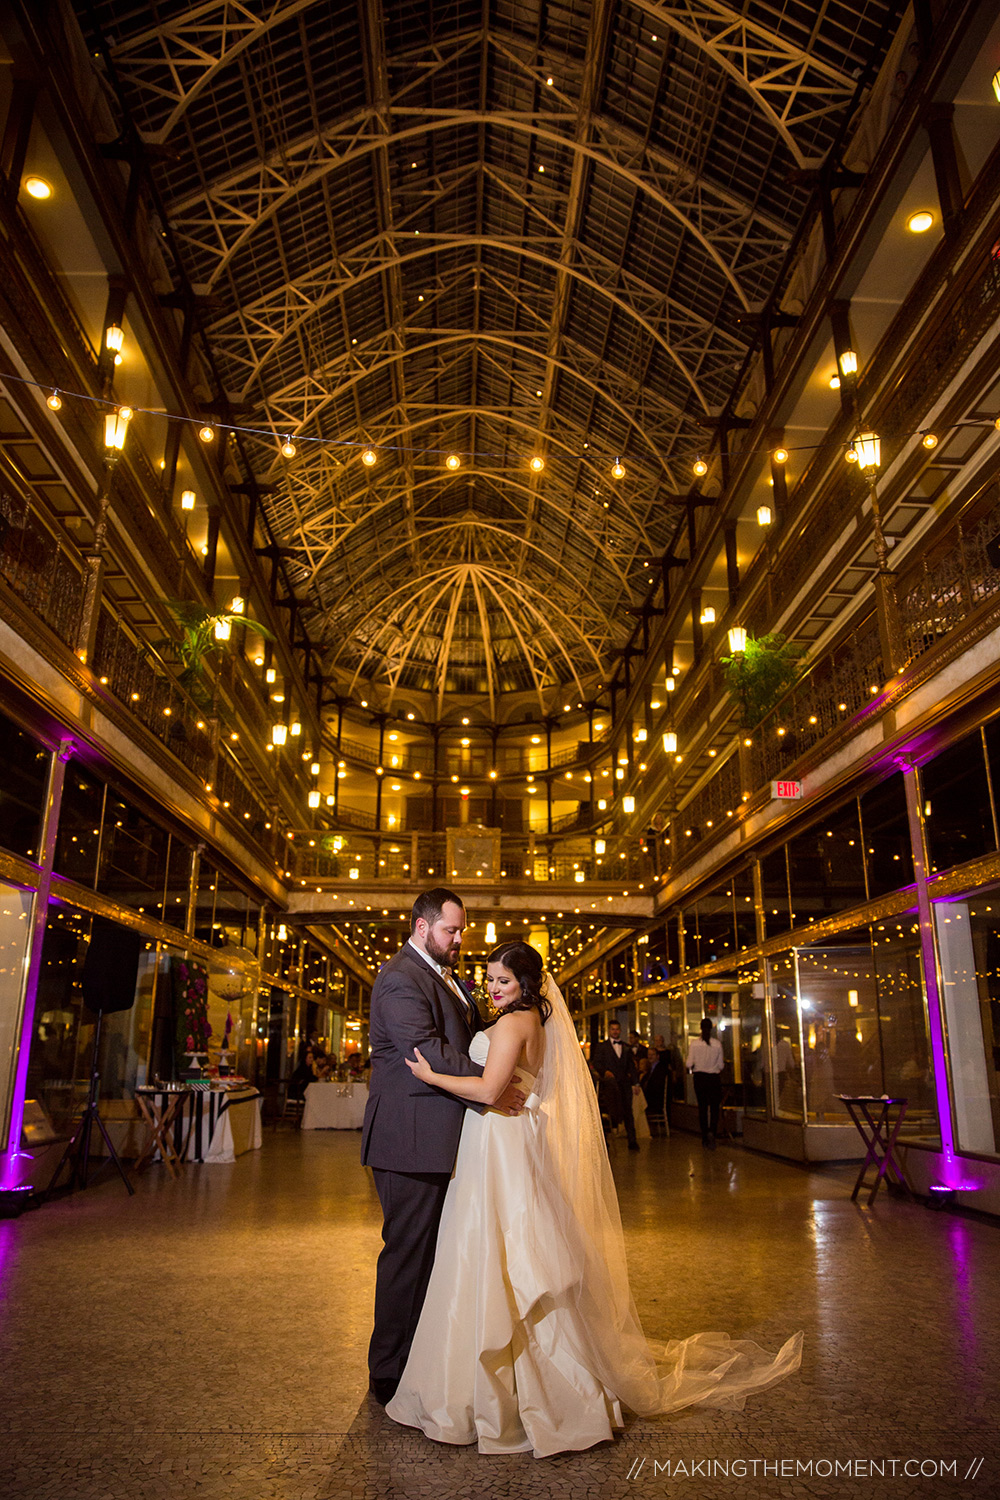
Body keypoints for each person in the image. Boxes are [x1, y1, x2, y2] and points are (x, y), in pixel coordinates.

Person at [386, 941, 802, 1458]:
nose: (493, 988)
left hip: (499, 1140)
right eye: (490, 979)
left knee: (499, 1248)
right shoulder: (531, 1021)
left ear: (527, 986)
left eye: (503, 981)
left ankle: (517, 1390)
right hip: (505, 1141)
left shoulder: (515, 1024)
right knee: (503, 1247)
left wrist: (431, 1076)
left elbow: (491, 1092)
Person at [361, 887, 525, 1406]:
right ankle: (386, 1370)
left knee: (431, 1253)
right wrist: (492, 1083)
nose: (459, 939)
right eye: (450, 931)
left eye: (461, 930)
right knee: (407, 1254)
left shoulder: (443, 976)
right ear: (420, 927)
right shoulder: (399, 980)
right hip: (408, 1139)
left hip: (437, 1136)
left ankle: (417, 1358)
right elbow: (426, 1054)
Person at [592, 1020, 641, 1150]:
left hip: (624, 1084)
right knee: (608, 1112)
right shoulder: (602, 1047)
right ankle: (605, 1141)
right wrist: (605, 1072)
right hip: (609, 1085)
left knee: (628, 1111)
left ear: (620, 1030)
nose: (615, 1031)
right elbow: (596, 1063)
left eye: (617, 1029)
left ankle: (632, 1140)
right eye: (613, 1029)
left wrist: (636, 1083)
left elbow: (631, 1067)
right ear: (609, 1031)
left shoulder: (626, 1047)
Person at [687, 1017, 725, 1148]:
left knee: (702, 1108)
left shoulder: (694, 1044)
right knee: (714, 1108)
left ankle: (704, 1136)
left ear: (700, 1028)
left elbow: (688, 1063)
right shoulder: (717, 1044)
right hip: (714, 1078)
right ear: (712, 1028)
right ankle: (712, 1133)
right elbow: (721, 1065)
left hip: (700, 1078)